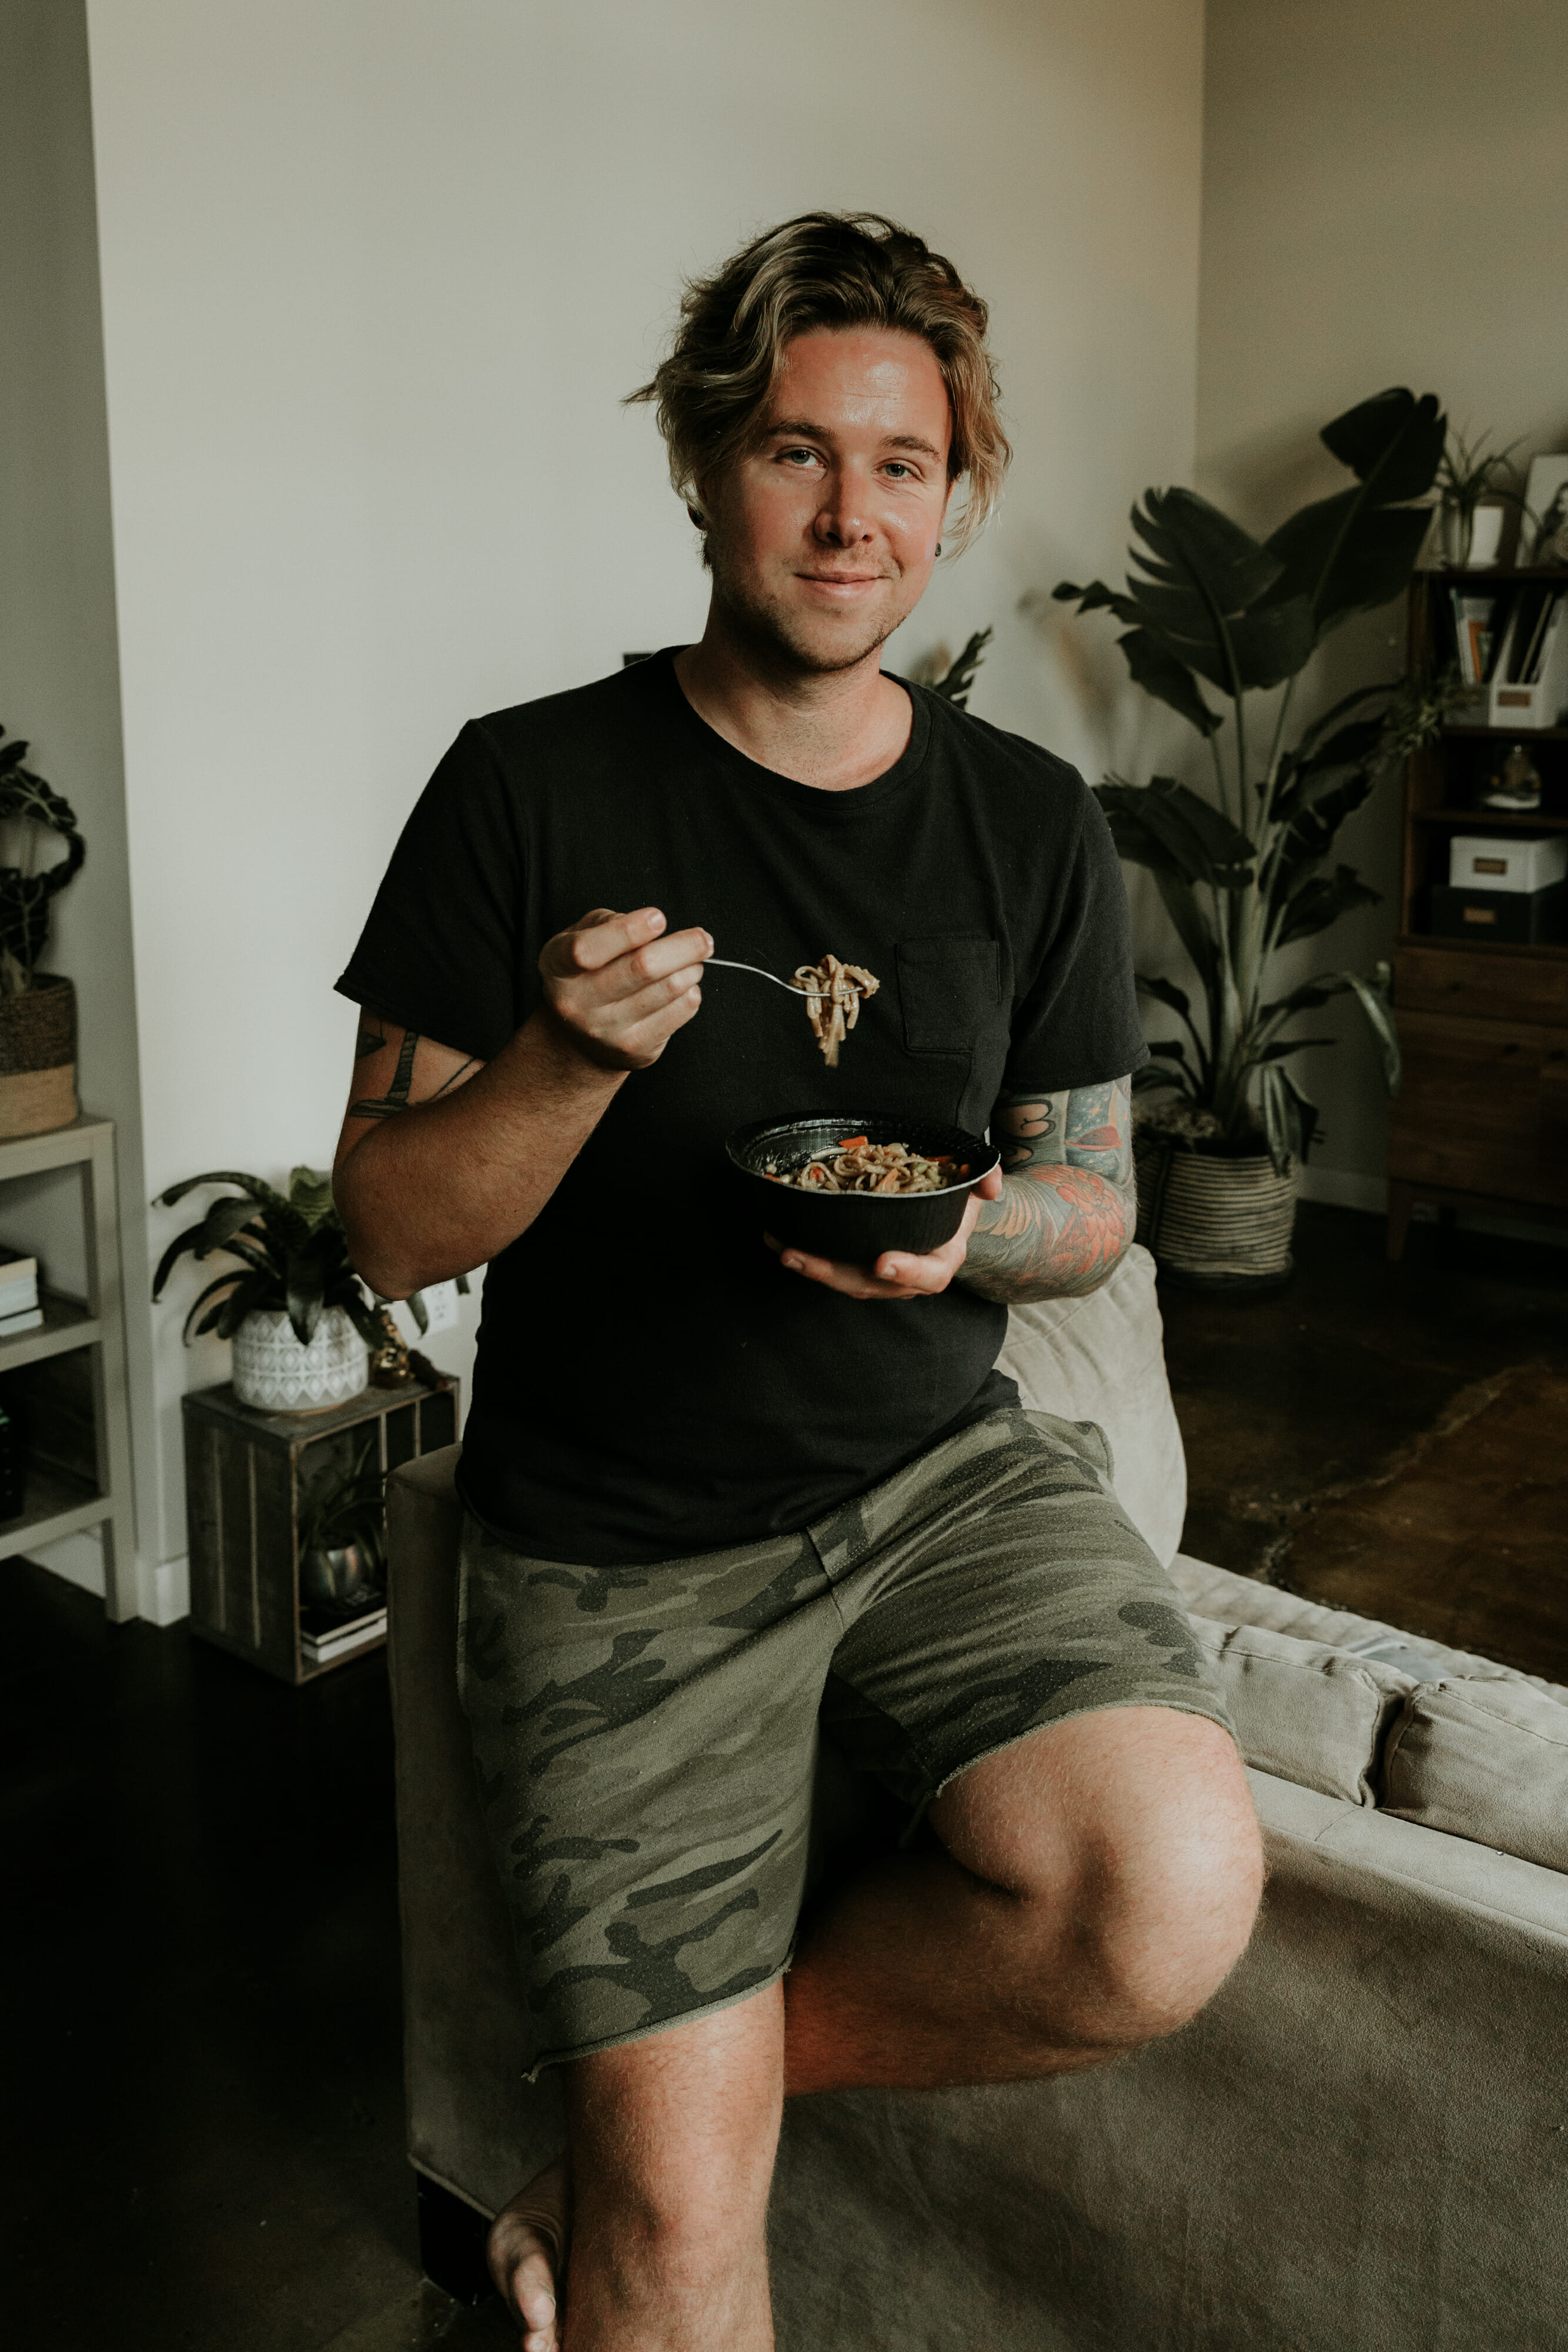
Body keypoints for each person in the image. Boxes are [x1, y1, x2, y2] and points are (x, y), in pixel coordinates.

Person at [333, 211, 1262, 2352]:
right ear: (696, 468)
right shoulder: (525, 785)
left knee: (1162, 1901)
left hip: (943, 1476)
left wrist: (967, 1238)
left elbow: (1091, 1205)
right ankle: (659, 2152)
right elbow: (386, 1229)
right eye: (791, 452)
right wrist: (566, 1058)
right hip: (620, 1550)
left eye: (903, 463)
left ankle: (683, 2092)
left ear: (956, 491)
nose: (851, 514)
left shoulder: (1030, 821)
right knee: (671, 2266)